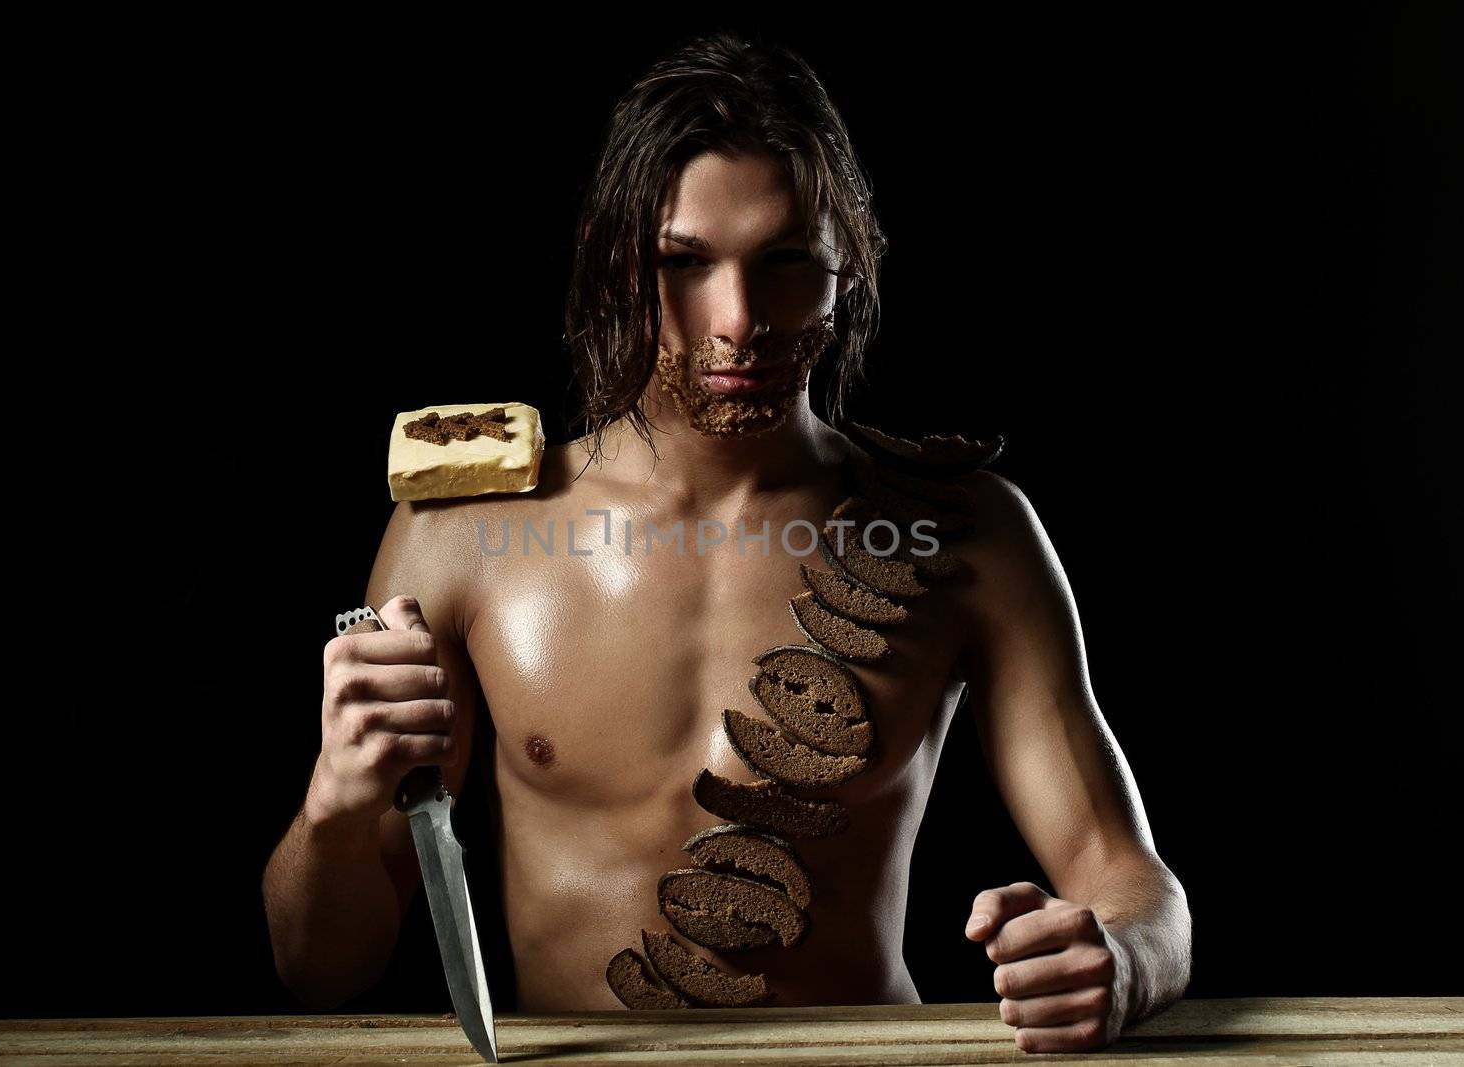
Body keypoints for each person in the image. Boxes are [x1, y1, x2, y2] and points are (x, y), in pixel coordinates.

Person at [262, 30, 1190, 1054]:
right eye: (682, 262)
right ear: (613, 262)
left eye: (786, 262)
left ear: (849, 270)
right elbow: (321, 965)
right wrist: (338, 803)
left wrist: (1120, 956)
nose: (738, 318)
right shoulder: (464, 535)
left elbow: (1128, 874)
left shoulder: (970, 531)